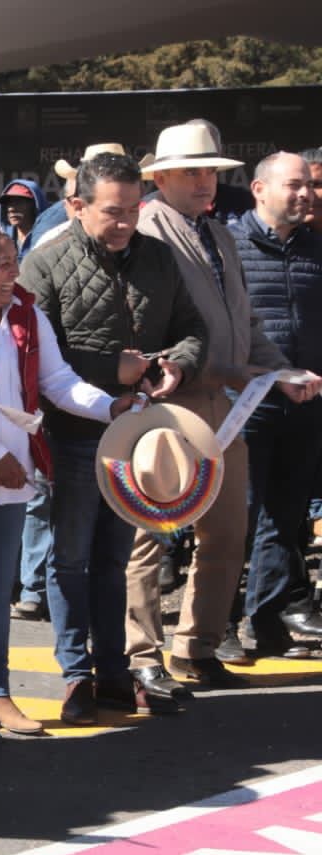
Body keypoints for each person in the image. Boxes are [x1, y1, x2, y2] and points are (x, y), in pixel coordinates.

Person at [128, 124, 317, 696]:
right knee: (152, 530)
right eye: (192, 171)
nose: (205, 181)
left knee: (227, 530)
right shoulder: (147, 229)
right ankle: (141, 654)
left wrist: (280, 371)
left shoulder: (217, 233)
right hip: (168, 397)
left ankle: (198, 647)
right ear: (161, 177)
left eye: (210, 170)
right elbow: (142, 321)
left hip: (225, 399)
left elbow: (247, 323)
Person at [0, 224, 133, 737]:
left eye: (14, 262)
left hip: (14, 471)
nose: (13, 273)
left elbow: (58, 381)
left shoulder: (26, 313)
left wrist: (110, 407)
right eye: (2, 264)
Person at [20, 152, 203, 724]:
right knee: (70, 558)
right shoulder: (45, 263)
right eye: (112, 211)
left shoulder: (160, 259)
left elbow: (192, 329)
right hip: (73, 433)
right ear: (77, 206)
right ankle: (77, 675)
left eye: (132, 210)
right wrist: (110, 369)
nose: (125, 222)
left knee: (114, 558)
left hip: (137, 434)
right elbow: (34, 354)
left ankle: (115, 674)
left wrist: (177, 365)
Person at [230, 153, 322, 656]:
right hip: (246, 403)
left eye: (308, 185)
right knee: (236, 518)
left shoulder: (316, 248)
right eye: (294, 185)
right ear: (259, 189)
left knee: (285, 520)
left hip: (306, 403)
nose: (305, 194)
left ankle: (264, 621)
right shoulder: (230, 247)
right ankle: (218, 623)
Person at [0, 179, 47, 260]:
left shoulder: (49, 240)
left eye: (18, 202)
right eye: (8, 203)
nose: (11, 209)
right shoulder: (0, 243)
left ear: (34, 205)